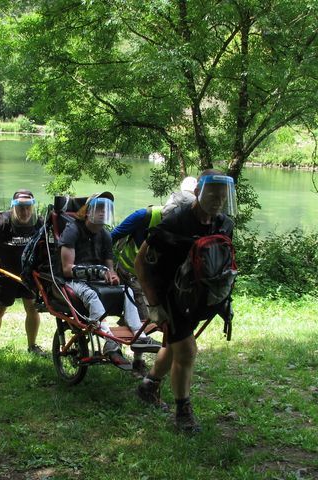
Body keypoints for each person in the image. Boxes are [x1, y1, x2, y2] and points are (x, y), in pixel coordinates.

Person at [134, 170, 236, 433]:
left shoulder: (224, 224)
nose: (217, 200)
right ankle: (183, 415)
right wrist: (154, 302)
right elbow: (140, 263)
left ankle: (149, 386)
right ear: (198, 192)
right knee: (187, 351)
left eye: (222, 195)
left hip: (199, 297)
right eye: (212, 193)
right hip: (170, 296)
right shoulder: (173, 223)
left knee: (176, 345)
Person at [58, 192, 157, 371]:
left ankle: (139, 336)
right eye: (99, 208)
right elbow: (67, 269)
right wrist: (98, 271)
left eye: (106, 209)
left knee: (128, 291)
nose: (103, 212)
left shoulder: (105, 234)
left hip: (98, 280)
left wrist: (112, 274)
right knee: (92, 296)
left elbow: (109, 265)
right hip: (74, 280)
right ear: (88, 211)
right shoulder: (73, 230)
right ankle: (110, 343)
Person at [111, 177, 197, 374]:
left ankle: (129, 346)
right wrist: (105, 265)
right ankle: (138, 361)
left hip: (157, 275)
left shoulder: (185, 226)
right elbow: (113, 235)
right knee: (144, 315)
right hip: (130, 271)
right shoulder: (144, 215)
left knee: (146, 313)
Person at [0, 190, 45, 356]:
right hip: (4, 274)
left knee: (32, 309)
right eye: (20, 207)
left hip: (29, 275)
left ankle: (32, 346)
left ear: (32, 207)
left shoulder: (39, 222)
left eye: (28, 207)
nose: (25, 211)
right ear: (13, 207)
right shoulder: (2, 221)